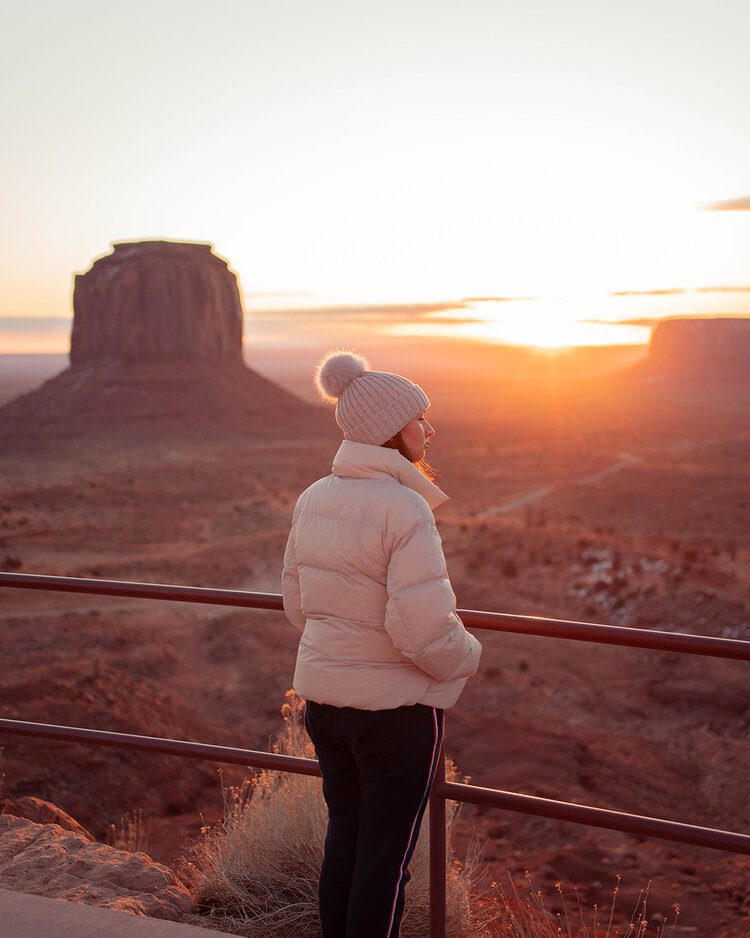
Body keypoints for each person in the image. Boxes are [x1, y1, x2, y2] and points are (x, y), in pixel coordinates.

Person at [281, 348, 482, 938]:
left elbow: (297, 603)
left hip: (326, 706)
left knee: (345, 841)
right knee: (385, 862)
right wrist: (469, 658)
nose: (430, 428)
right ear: (393, 430)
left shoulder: (313, 496)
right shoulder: (405, 507)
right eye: (421, 417)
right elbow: (421, 627)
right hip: (394, 715)